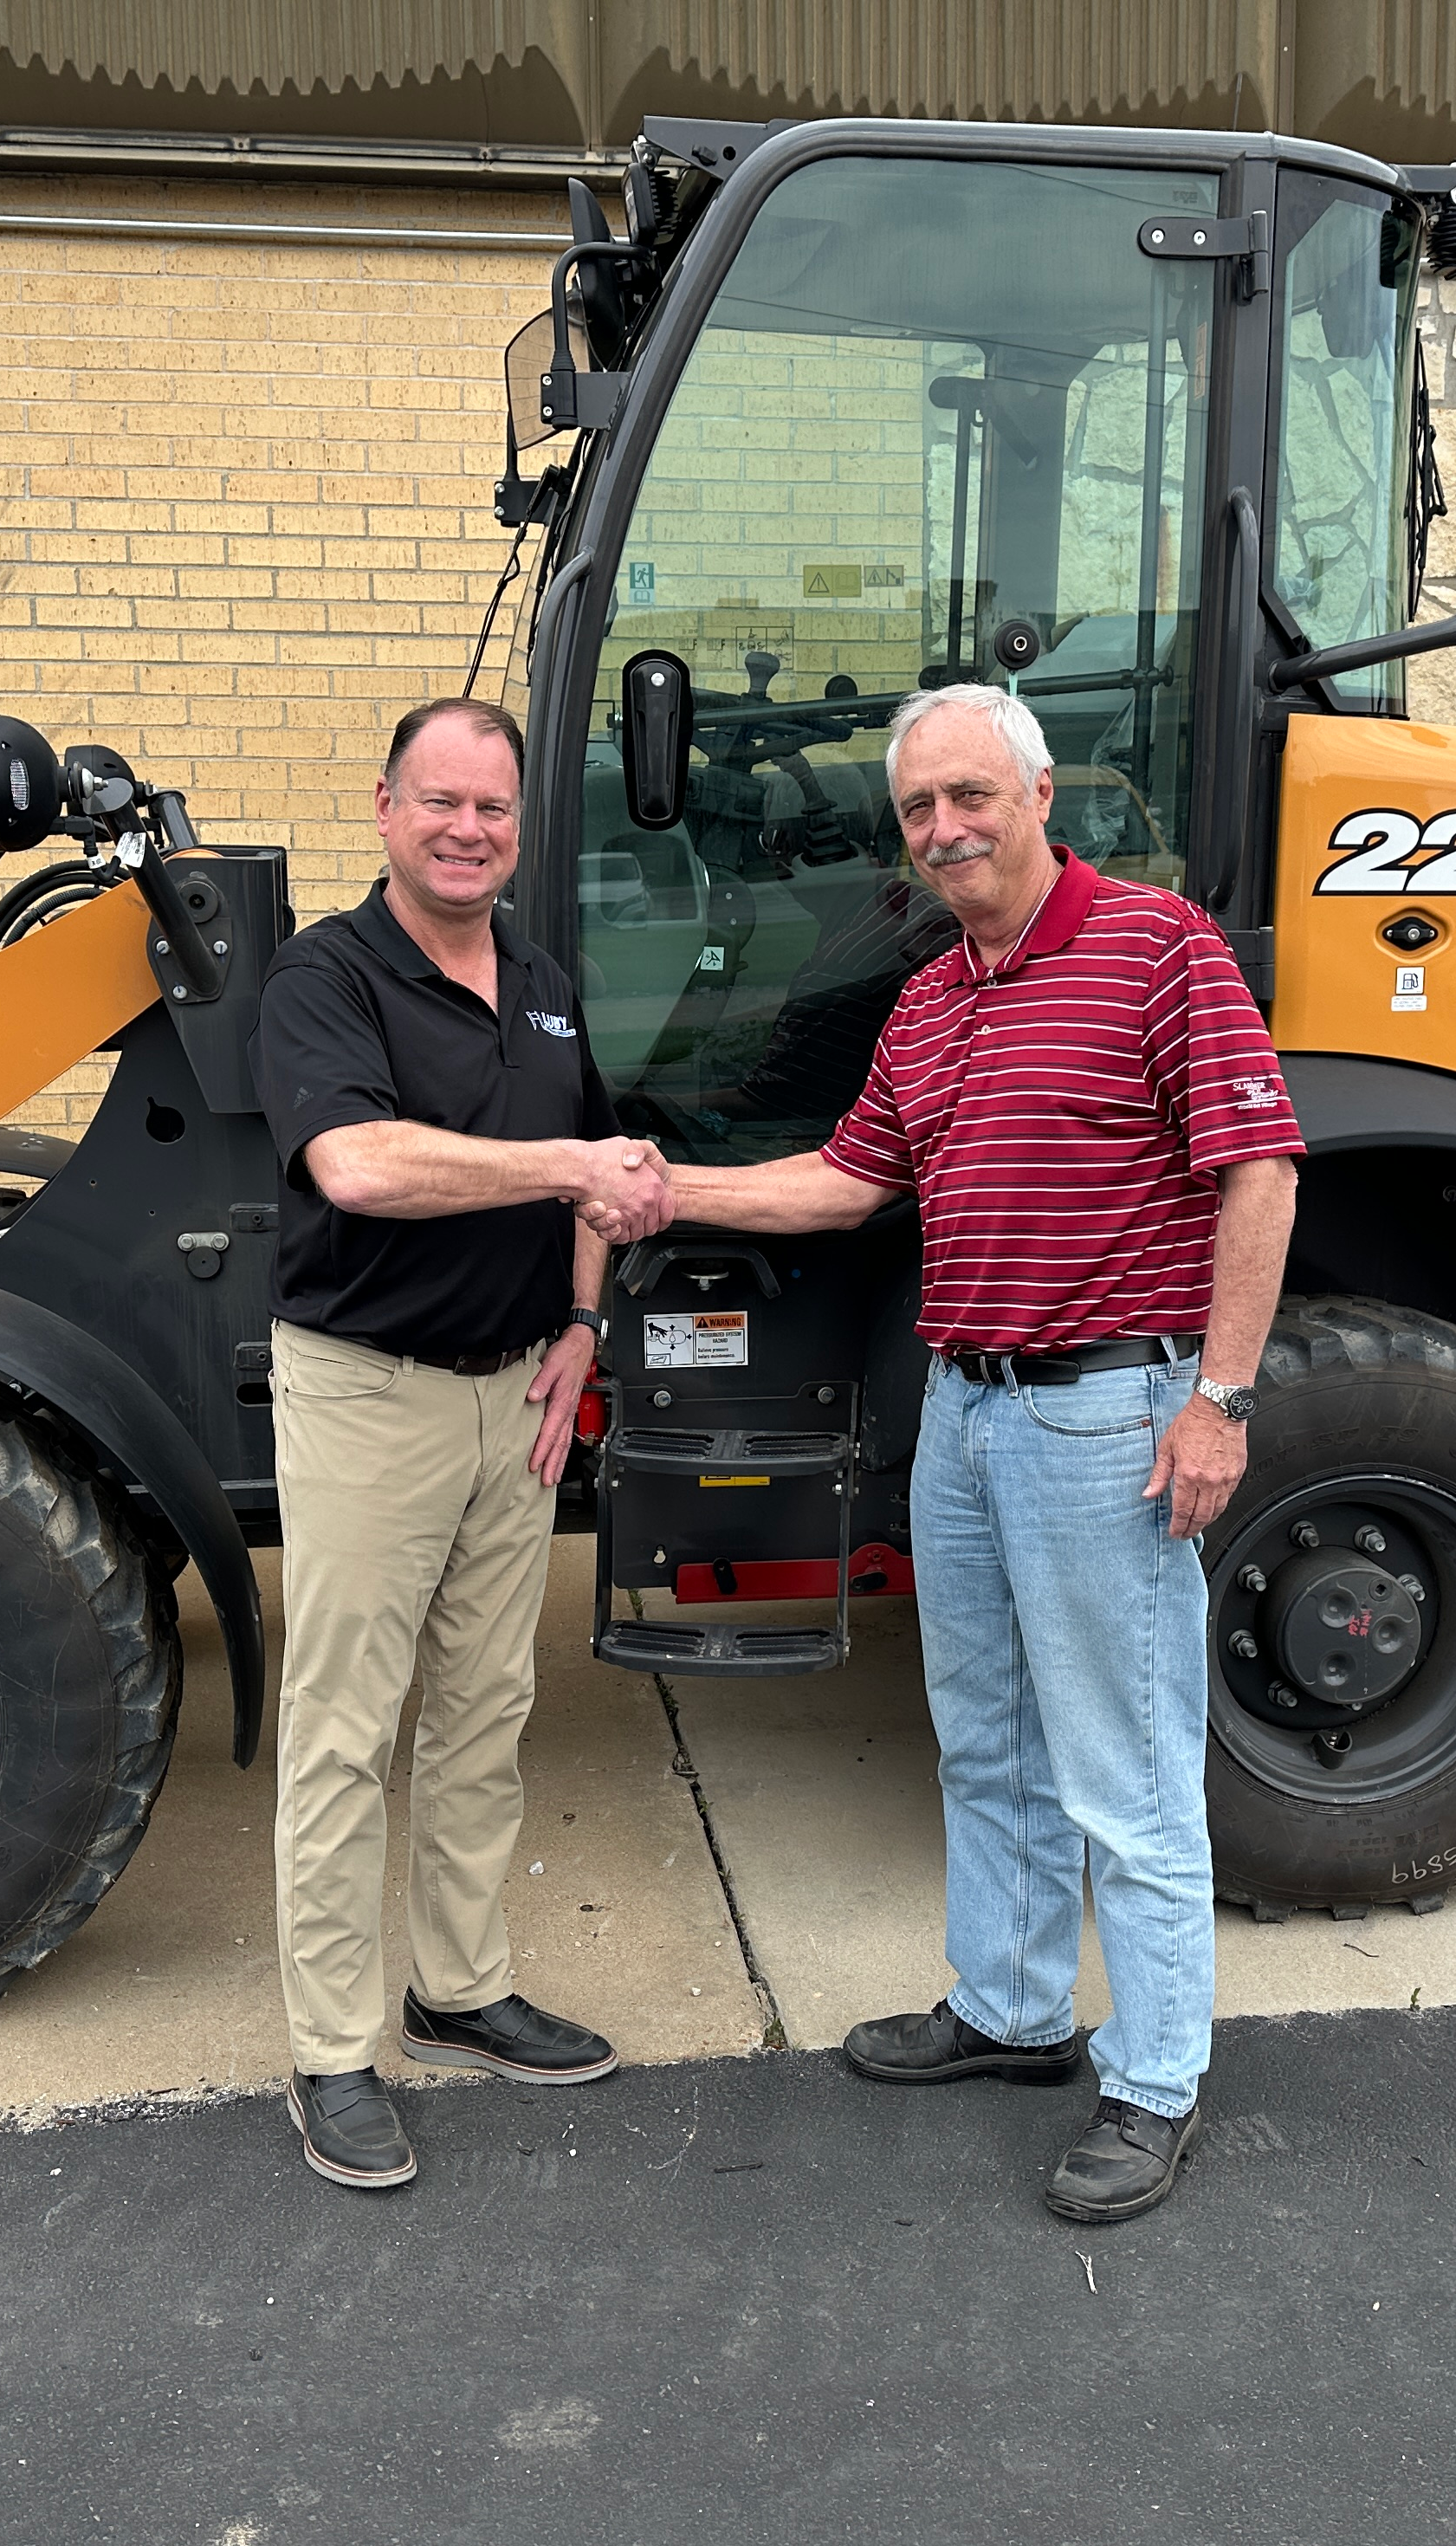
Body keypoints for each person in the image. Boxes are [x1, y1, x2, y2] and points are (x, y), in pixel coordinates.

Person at [659, 682, 1302, 2224]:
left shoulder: (1159, 947)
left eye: (970, 797)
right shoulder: (933, 1002)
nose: (946, 829)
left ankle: (1156, 2081)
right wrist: (666, 1189)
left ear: (1037, 798)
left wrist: (1219, 1401)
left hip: (1105, 1415)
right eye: (919, 810)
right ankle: (1012, 2013)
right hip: (967, 1410)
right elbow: (842, 1183)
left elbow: (1260, 1171)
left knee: (1124, 1767)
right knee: (989, 1735)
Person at [252, 695, 674, 2192]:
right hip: (371, 1395)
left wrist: (583, 1325)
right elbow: (357, 1166)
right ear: (386, 809)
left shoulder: (541, 984)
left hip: (518, 1397)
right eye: (439, 801)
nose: (467, 830)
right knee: (345, 1731)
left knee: (486, 1711)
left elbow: (594, 1184)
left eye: (493, 808)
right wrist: (567, 1165)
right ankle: (331, 2054)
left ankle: (459, 1989)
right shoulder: (326, 977)